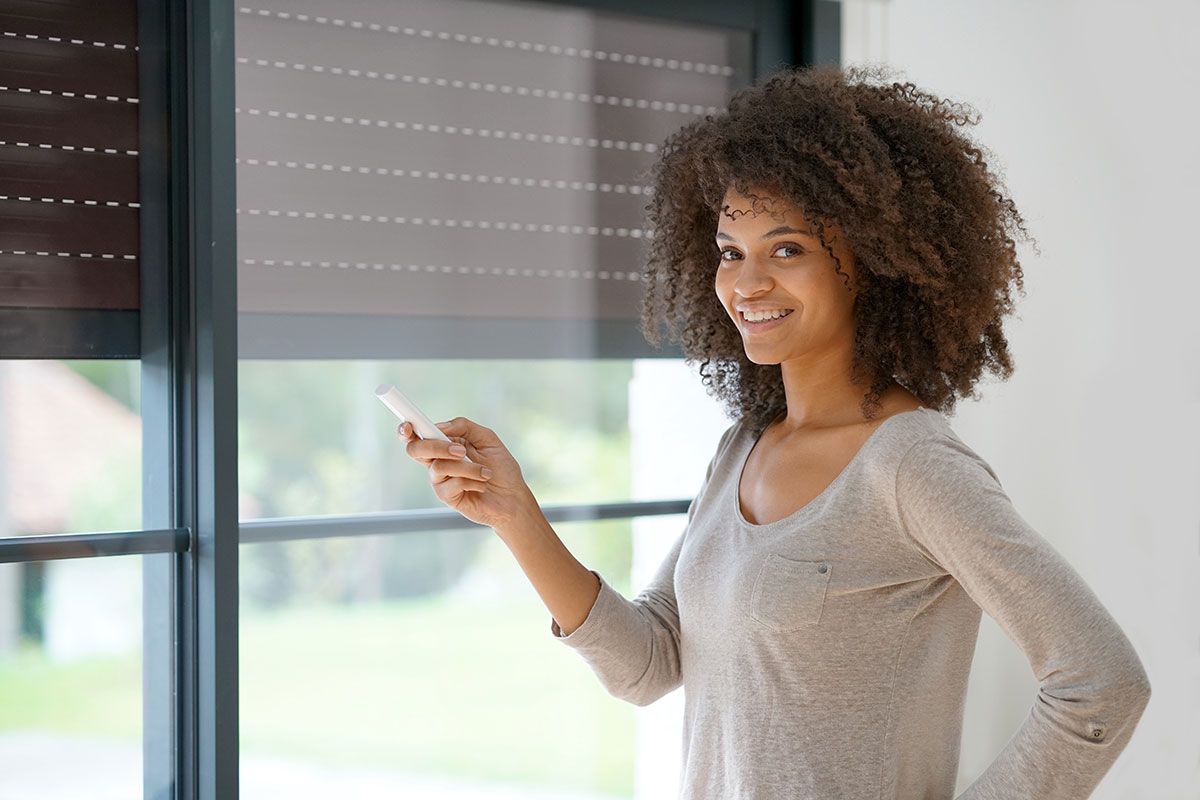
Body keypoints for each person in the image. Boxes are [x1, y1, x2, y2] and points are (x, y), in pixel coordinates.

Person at [396, 63, 1151, 799]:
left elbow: (1101, 683)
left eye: (786, 250)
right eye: (731, 253)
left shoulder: (912, 465)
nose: (746, 284)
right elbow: (649, 665)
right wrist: (515, 515)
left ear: (877, 260)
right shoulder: (743, 448)